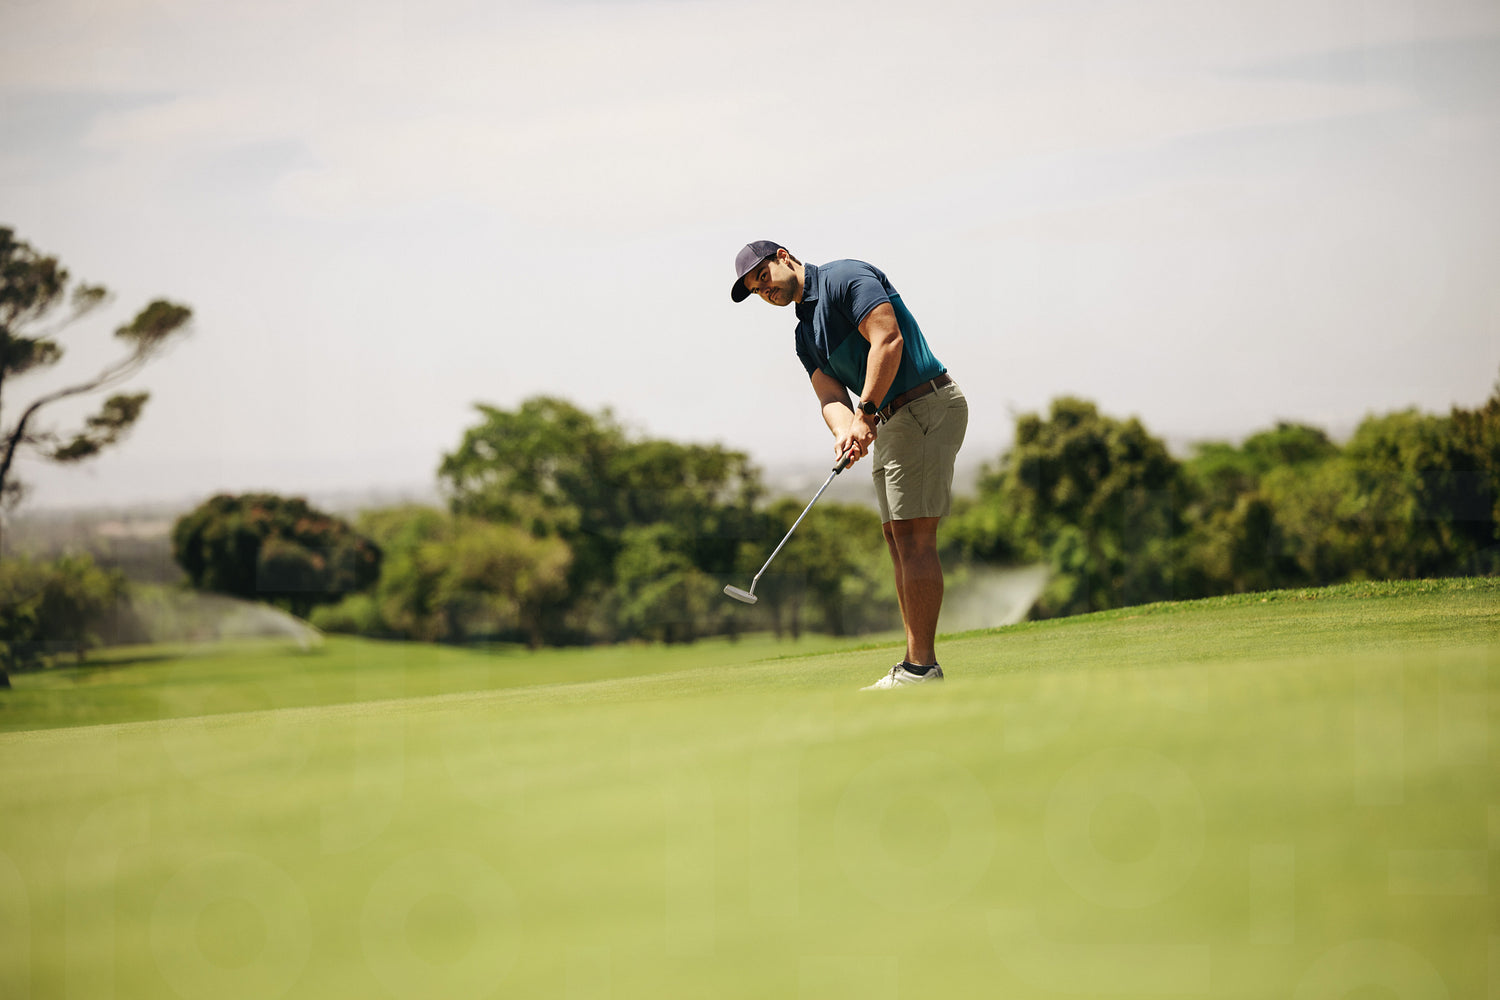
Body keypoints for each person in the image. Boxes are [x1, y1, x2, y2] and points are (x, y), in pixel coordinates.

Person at [730, 240, 968, 689]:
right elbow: (830, 395)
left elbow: (888, 339)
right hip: (891, 419)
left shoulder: (843, 278)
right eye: (757, 291)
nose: (765, 291)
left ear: (783, 256)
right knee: (898, 540)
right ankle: (916, 664)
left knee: (915, 539)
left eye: (763, 277)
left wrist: (866, 413)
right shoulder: (804, 335)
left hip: (924, 404)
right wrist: (845, 432)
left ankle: (921, 669)